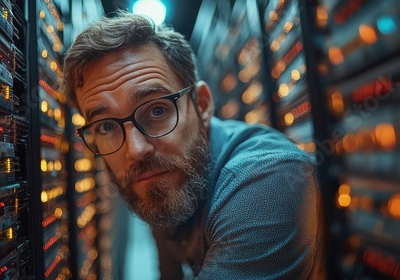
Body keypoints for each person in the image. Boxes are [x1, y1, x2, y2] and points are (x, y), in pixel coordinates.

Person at [63, 10, 325, 279]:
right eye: (106, 126)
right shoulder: (161, 180)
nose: (137, 150)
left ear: (201, 105)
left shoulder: (271, 181)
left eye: (157, 111)